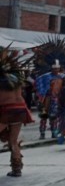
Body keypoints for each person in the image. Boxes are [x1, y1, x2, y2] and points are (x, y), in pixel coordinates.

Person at [0, 47, 35, 177]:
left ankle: (16, 168)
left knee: (12, 141)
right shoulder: (17, 78)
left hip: (7, 110)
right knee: (13, 141)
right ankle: (17, 169)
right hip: (20, 109)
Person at [35, 62, 65, 139]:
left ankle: (54, 132)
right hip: (46, 99)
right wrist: (43, 92)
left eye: (57, 68)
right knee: (43, 116)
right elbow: (38, 84)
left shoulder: (62, 76)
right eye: (54, 68)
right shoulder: (45, 76)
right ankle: (42, 134)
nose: (56, 70)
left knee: (54, 117)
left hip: (56, 99)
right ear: (51, 68)